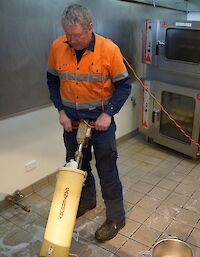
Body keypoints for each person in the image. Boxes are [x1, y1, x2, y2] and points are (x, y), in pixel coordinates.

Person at [47, 4, 131, 241]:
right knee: (77, 167)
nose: (72, 41)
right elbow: (52, 80)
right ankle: (87, 201)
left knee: (107, 168)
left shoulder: (109, 49)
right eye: (68, 35)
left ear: (90, 27)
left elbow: (124, 85)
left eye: (77, 35)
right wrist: (61, 111)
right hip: (71, 122)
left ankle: (116, 217)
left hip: (100, 122)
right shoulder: (57, 46)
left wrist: (109, 113)